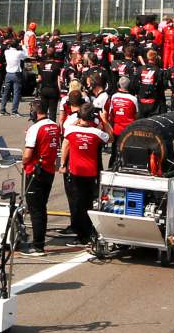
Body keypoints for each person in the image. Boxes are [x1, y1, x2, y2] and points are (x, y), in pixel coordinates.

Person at [60, 103, 109, 247]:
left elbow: (65, 144)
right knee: (88, 203)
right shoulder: (97, 133)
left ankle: (83, 236)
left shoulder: (71, 130)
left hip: (76, 172)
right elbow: (110, 137)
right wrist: (104, 120)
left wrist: (62, 164)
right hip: (91, 173)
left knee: (78, 204)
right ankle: (88, 232)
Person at [21, 101, 60, 254]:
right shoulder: (54, 126)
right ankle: (39, 240)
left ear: (35, 113)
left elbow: (28, 154)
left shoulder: (34, 128)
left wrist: (22, 159)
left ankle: (38, 245)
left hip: (36, 171)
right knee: (41, 207)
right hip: (48, 170)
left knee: (36, 209)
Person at [1, 39, 27, 116]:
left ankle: (2, 109)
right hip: (16, 73)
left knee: (6, 93)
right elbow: (26, 55)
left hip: (8, 74)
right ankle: (14, 111)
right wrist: (23, 46)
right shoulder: (18, 53)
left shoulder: (6, 52)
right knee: (16, 93)